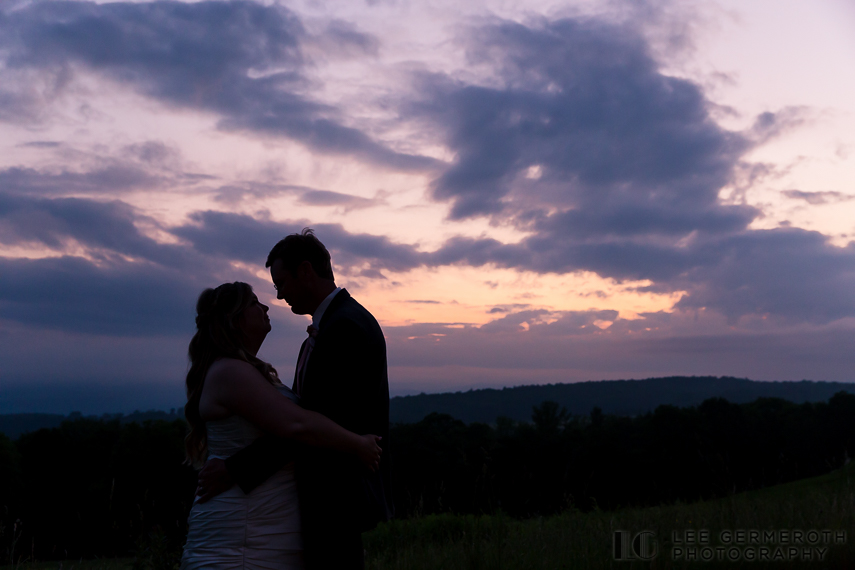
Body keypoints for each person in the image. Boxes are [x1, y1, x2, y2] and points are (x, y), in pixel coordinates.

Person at [196, 229, 393, 570]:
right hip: (314, 502)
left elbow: (311, 422)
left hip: (333, 496)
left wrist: (235, 468)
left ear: (305, 271)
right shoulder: (326, 330)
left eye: (281, 282)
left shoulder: (344, 327)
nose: (279, 295)